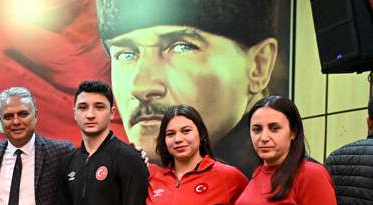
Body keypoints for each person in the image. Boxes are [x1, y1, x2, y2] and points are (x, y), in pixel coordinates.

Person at [96, 0, 281, 176]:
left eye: (182, 47)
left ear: (258, 66)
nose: (140, 87)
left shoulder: (280, 183)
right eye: (126, 55)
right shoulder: (116, 180)